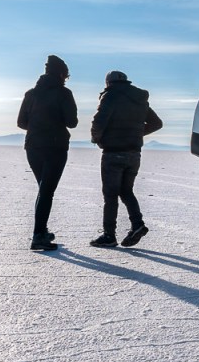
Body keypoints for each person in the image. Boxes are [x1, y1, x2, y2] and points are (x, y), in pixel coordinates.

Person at [89, 71, 163, 248]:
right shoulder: (139, 99)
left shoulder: (110, 96)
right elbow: (157, 123)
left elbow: (98, 122)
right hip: (134, 154)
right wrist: (135, 134)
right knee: (126, 191)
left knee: (110, 194)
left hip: (113, 153)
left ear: (108, 83)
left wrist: (96, 139)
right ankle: (137, 224)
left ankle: (109, 235)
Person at [17, 55, 78, 251]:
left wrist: (37, 127)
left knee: (44, 189)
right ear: (61, 74)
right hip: (55, 147)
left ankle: (42, 231)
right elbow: (72, 122)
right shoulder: (64, 93)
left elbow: (21, 122)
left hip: (33, 147)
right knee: (46, 191)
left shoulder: (31, 94)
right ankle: (38, 236)